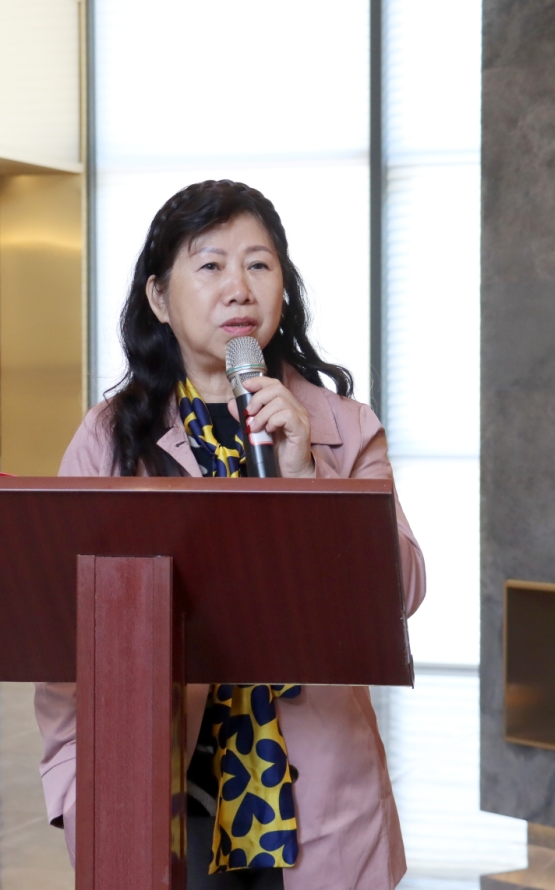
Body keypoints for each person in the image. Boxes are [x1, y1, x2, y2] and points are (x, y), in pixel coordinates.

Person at [33, 179, 426, 889]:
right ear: (159, 297)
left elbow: (400, 593)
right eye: (210, 265)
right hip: (159, 786)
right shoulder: (110, 439)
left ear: (284, 287)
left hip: (320, 797)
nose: (238, 288)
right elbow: (68, 635)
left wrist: (307, 477)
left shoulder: (343, 427)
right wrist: (74, 786)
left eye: (259, 264)